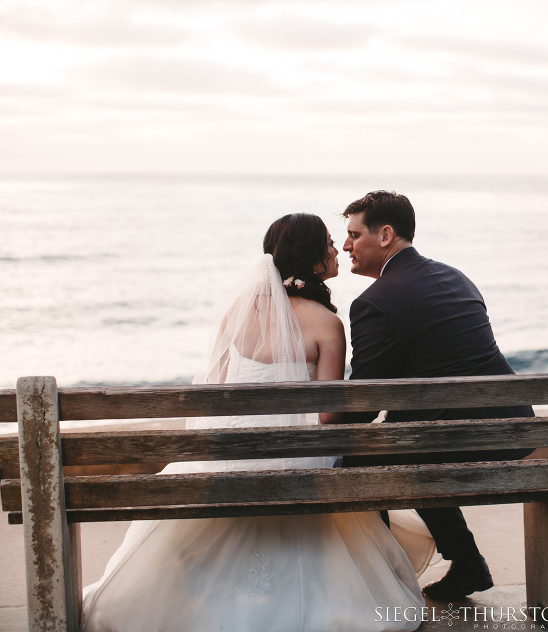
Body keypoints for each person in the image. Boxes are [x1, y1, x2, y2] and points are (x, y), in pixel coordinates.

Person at [80, 214, 434, 632]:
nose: (337, 249)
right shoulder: (327, 324)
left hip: (229, 457)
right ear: (312, 259)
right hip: (297, 465)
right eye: (327, 243)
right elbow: (329, 417)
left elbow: (218, 392)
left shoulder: (238, 313)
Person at [341, 191, 534, 601]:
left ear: (386, 235)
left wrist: (324, 426)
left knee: (352, 460)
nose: (346, 246)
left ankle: (386, 581)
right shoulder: (454, 275)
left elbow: (363, 405)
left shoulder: (375, 301)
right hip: (516, 427)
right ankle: (466, 564)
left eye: (354, 235)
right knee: (408, 443)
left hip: (458, 436)